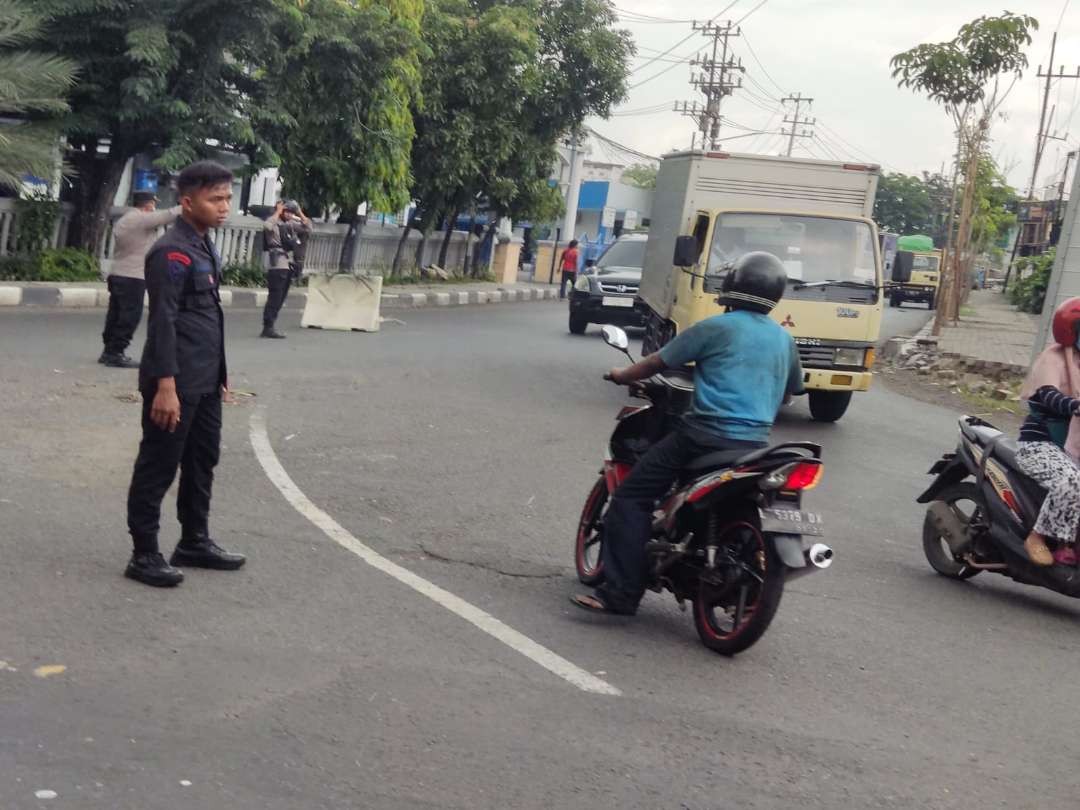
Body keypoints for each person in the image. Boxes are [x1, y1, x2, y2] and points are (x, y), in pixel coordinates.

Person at [571, 252, 804, 615]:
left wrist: (620, 374)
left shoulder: (715, 328)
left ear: (734, 287)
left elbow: (656, 363)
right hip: (754, 445)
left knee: (631, 498)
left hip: (703, 434)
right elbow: (790, 392)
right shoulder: (784, 340)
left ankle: (620, 594)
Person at [124, 161, 246, 587]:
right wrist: (165, 386)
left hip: (205, 381)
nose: (224, 206)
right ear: (187, 201)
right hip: (174, 383)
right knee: (158, 465)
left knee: (201, 462)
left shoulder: (204, 244)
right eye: (216, 199)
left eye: (228, 198)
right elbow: (164, 323)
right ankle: (144, 554)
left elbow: (206, 318)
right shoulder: (170, 252)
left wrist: (221, 375)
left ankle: (194, 540)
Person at [1015, 297, 1080, 567]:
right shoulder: (1052, 359)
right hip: (1040, 445)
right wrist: (1076, 405)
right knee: (1073, 481)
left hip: (1071, 448)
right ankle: (1038, 536)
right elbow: (1050, 396)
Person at [99, 192, 181, 368]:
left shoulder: (125, 219)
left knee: (115, 314)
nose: (154, 208)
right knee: (129, 316)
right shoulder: (141, 219)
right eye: (153, 204)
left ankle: (108, 350)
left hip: (118, 273)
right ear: (148, 205)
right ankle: (115, 352)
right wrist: (191, 203)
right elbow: (169, 215)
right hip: (133, 276)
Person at [261, 199, 312, 338]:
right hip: (277, 264)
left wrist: (299, 212)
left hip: (287, 264)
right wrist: (277, 211)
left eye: (291, 212)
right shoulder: (274, 222)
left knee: (281, 297)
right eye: (286, 211)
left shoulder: (289, 225)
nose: (289, 214)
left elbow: (308, 228)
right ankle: (268, 327)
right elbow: (267, 226)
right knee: (275, 297)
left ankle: (270, 326)